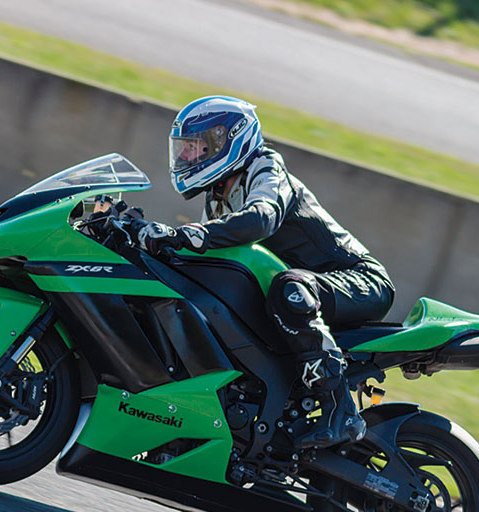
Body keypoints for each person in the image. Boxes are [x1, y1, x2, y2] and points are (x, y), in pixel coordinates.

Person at [135, 95, 395, 449]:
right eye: (183, 149)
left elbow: (262, 217)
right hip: (307, 291)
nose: (185, 157)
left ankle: (341, 409)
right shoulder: (218, 194)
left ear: (230, 140)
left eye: (195, 147)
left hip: (358, 280)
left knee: (288, 288)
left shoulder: (266, 168)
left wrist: (193, 234)